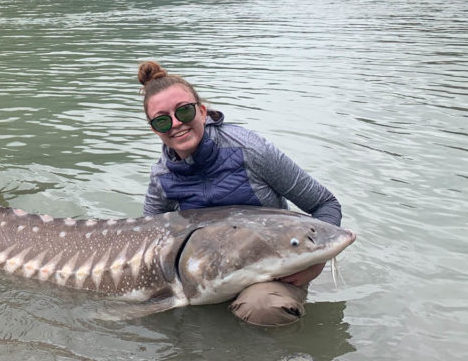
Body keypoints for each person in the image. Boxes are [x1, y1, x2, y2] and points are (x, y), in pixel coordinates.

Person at [138, 60, 342, 327]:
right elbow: (147, 240)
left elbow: (325, 203)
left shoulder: (251, 150)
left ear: (201, 111)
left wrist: (314, 265)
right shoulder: (161, 178)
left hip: (266, 274)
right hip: (203, 272)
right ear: (155, 129)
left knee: (262, 308)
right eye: (163, 120)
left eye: (184, 112)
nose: (176, 124)